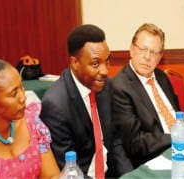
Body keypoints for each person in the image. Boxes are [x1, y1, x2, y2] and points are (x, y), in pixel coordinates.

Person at [40, 24, 133, 178]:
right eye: (95, 64)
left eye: (107, 61)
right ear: (75, 63)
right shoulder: (55, 105)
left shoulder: (106, 86)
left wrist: (130, 176)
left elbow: (114, 140)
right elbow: (69, 170)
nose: (104, 71)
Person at [112, 23, 184, 168]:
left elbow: (177, 115)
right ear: (131, 49)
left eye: (154, 52)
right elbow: (136, 143)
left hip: (182, 147)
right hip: (155, 158)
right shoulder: (120, 87)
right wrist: (180, 138)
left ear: (160, 57)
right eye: (142, 49)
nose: (147, 57)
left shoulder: (161, 77)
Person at [0, 58, 60, 178]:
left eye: (21, 87)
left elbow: (52, 176)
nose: (23, 97)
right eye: (13, 93)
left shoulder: (31, 122)